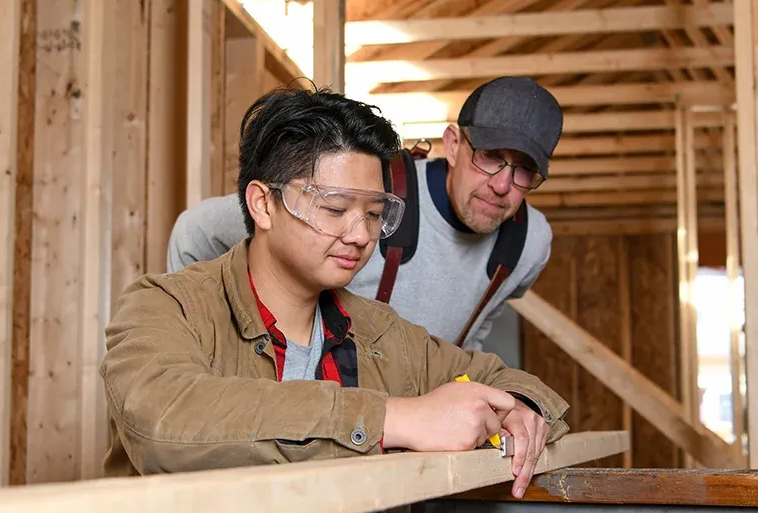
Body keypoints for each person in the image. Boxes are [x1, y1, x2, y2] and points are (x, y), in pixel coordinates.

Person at [99, 87, 570, 513]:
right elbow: (163, 420)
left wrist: (522, 407)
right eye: (335, 208)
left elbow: (503, 378)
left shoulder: (381, 334)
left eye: (373, 213)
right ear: (263, 203)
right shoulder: (165, 306)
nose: (360, 235)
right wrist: (394, 419)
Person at [166, 76, 563, 353]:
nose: (502, 184)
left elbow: (476, 330)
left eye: (524, 170)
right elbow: (195, 233)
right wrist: (209, 349)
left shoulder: (528, 243)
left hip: (414, 435)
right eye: (490, 157)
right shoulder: (373, 190)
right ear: (454, 144)